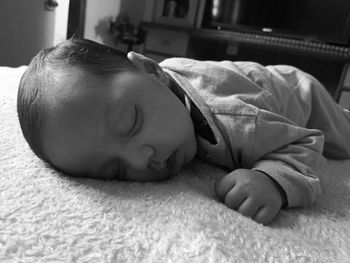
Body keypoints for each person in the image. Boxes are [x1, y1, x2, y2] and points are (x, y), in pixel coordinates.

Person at [17, 38, 350, 225]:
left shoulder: (239, 120)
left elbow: (307, 139)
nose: (140, 160)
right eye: (115, 170)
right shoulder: (152, 94)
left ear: (153, 71)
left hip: (300, 91)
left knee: (343, 139)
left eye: (133, 122)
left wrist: (273, 179)